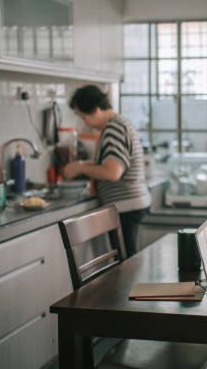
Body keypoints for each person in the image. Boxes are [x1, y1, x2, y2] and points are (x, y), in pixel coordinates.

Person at [63, 85, 150, 258]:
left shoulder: (114, 128)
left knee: (126, 264)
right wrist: (84, 164)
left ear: (96, 109)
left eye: (84, 117)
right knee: (127, 260)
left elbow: (112, 172)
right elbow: (112, 162)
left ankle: (127, 287)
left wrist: (79, 167)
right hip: (131, 203)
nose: (85, 123)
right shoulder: (119, 124)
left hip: (125, 205)